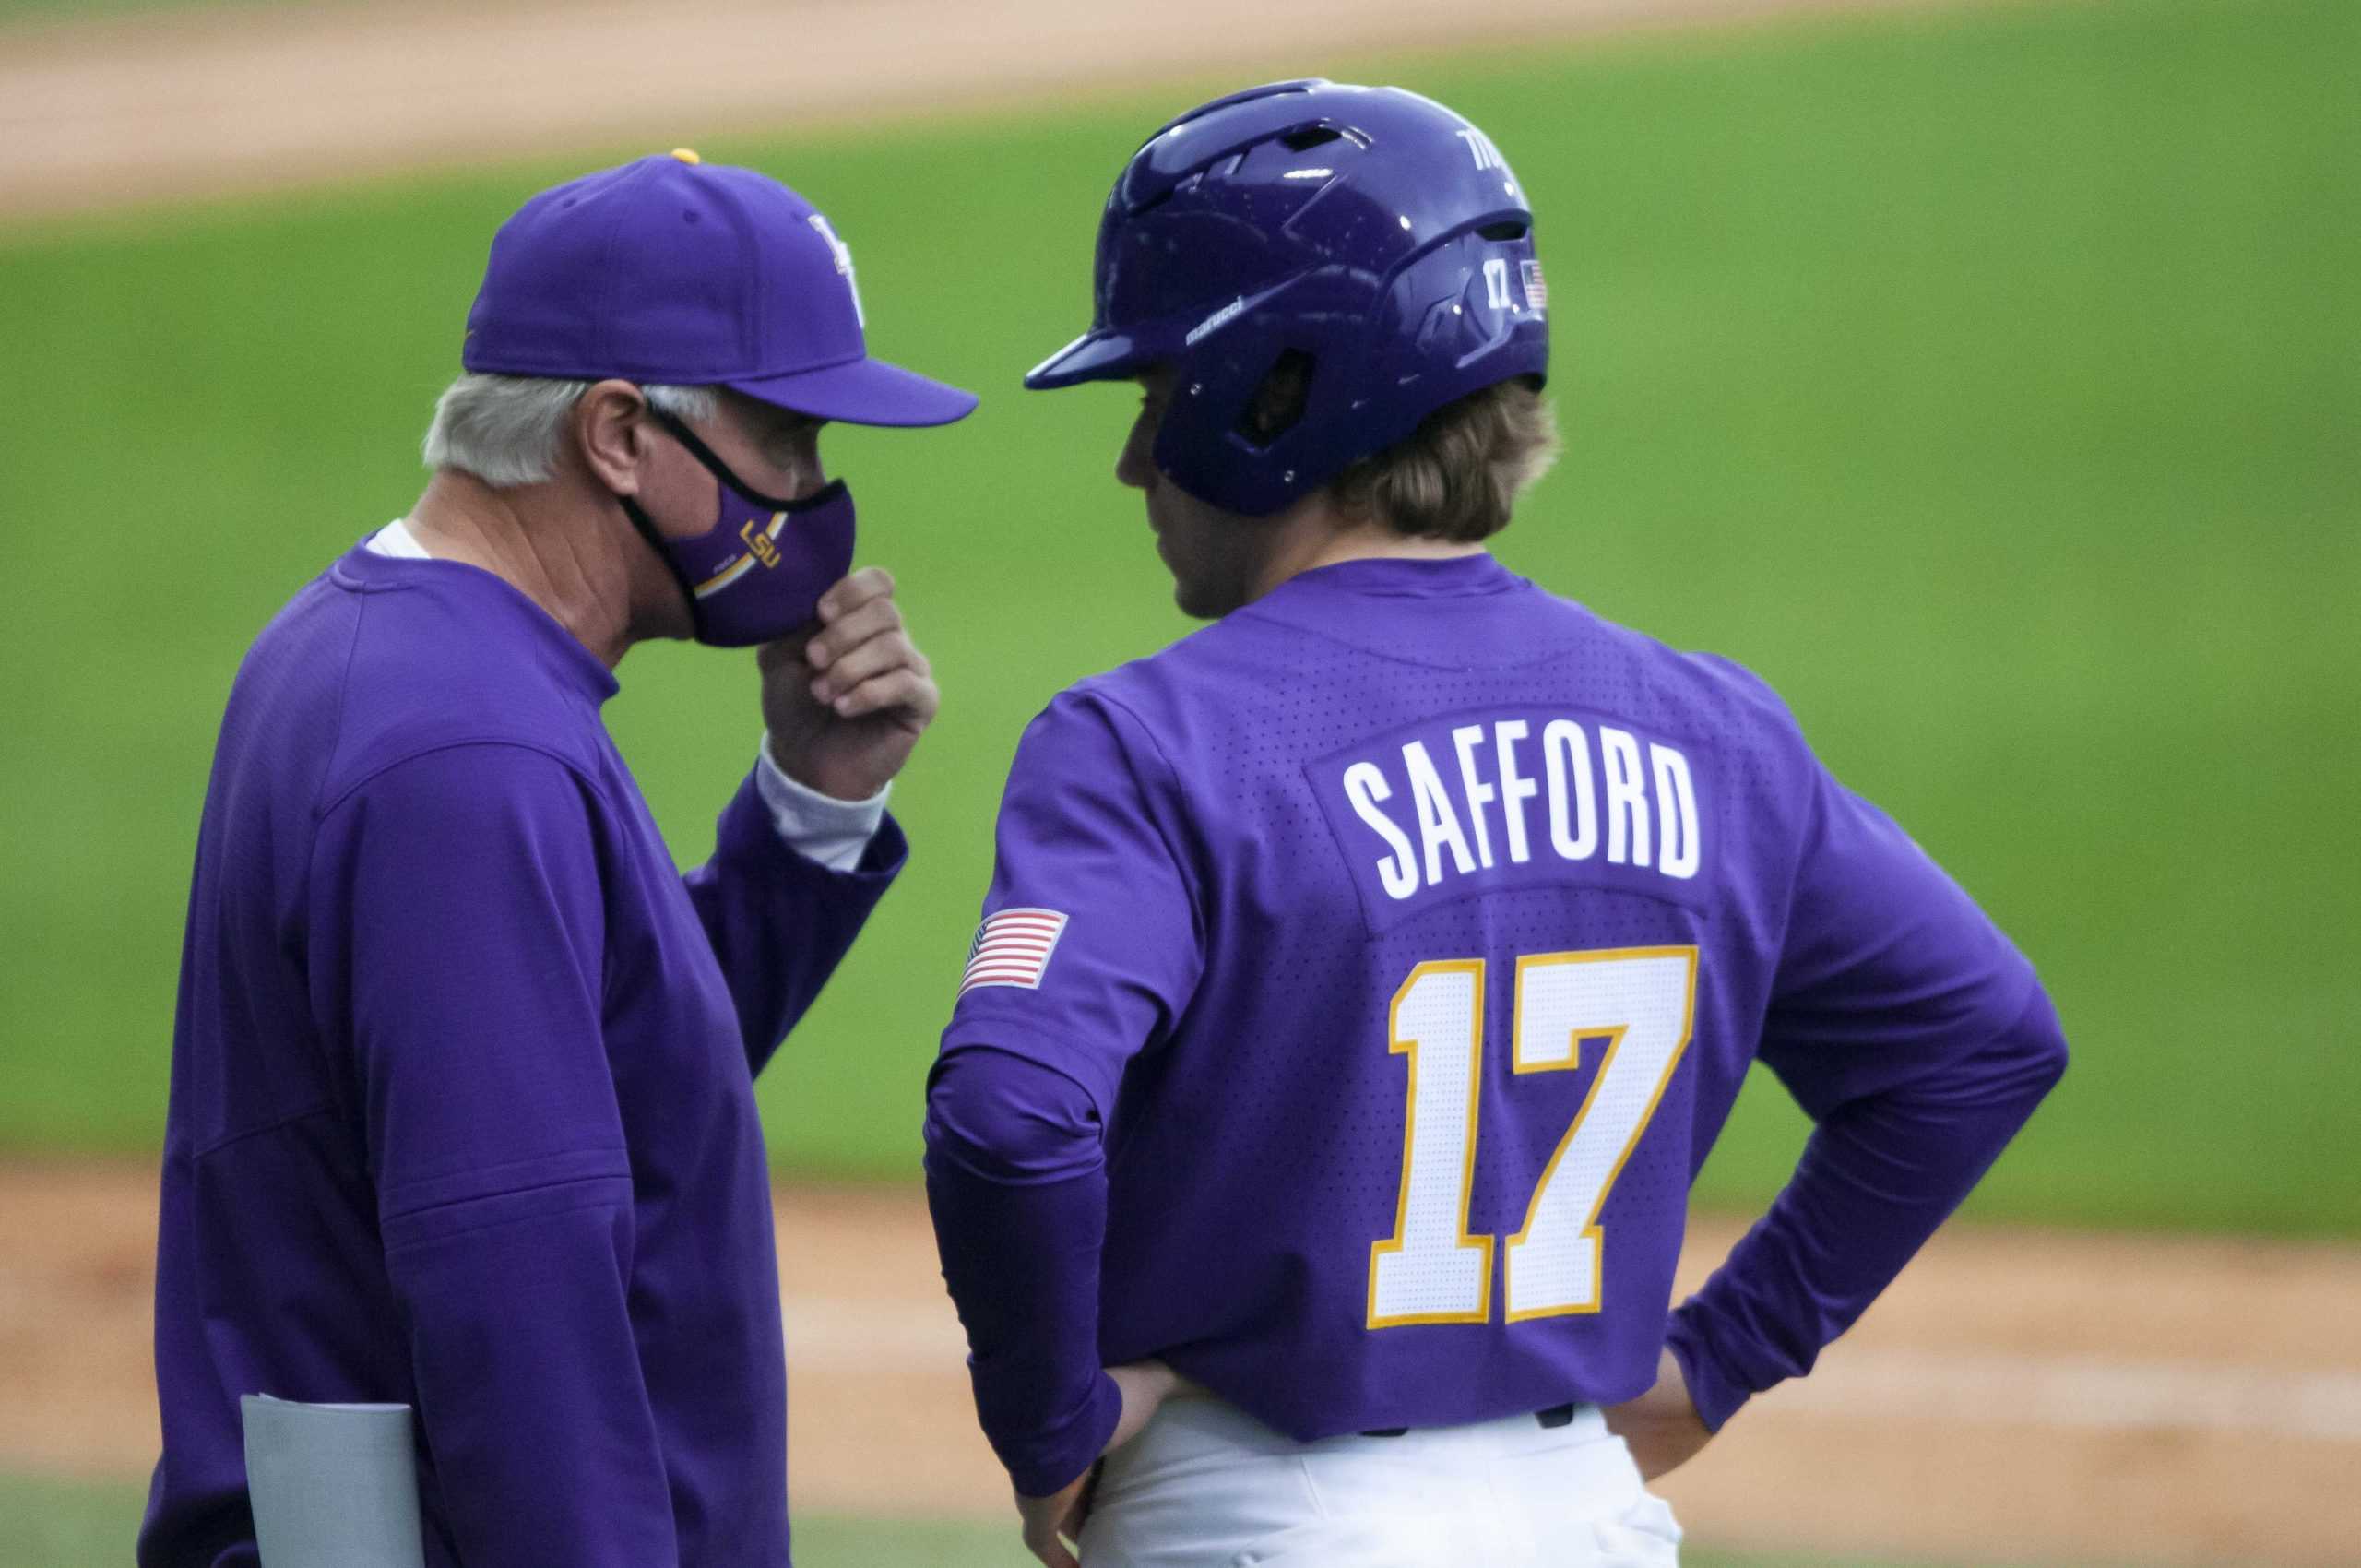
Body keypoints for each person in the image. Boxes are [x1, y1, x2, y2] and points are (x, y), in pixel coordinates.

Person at [923, 80, 2068, 1568]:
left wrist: (1049, 1432)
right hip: (1588, 1518)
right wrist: (1719, 1360)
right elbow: (1980, 1039)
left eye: (1155, 398)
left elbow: (1011, 1116)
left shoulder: (1151, 742)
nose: (1138, 461)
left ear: (1275, 393)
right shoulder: (1714, 734)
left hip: (1256, 1519)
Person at [139, 150, 975, 1568]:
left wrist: (812, 804)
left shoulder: (385, 657)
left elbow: (604, 1080)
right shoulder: (468, 757)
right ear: (616, 434)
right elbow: (514, 1297)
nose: (817, 499)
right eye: (787, 443)